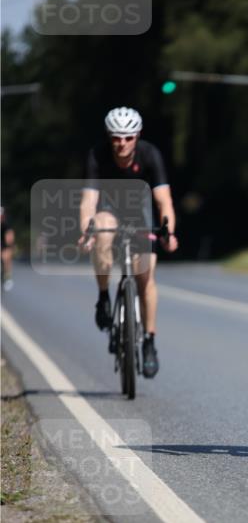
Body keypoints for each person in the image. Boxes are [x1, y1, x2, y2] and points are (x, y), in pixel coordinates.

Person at [79, 107, 178, 378]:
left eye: (128, 138)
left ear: (137, 137)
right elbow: (88, 201)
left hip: (141, 213)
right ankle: (103, 297)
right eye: (116, 138)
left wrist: (169, 233)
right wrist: (86, 232)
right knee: (101, 229)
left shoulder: (149, 155)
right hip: (109, 210)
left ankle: (149, 342)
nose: (122, 144)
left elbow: (163, 201)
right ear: (109, 137)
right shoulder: (97, 156)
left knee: (146, 277)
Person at [1, 205, 16, 291]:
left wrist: (9, 246)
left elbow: (10, 238)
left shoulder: (6, 225)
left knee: (6, 257)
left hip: (5, 245)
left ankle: (8, 278)